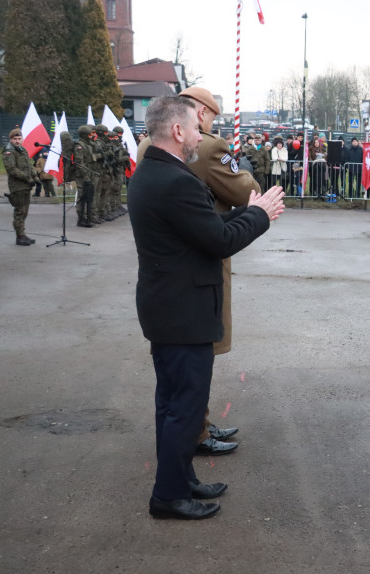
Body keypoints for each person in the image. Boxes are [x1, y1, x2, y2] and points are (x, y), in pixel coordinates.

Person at [129, 95, 285, 521]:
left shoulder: (153, 171)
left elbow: (205, 229)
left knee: (172, 405)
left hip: (168, 307)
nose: (201, 136)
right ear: (177, 131)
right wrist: (259, 215)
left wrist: (249, 212)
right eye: (195, 129)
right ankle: (168, 496)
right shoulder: (175, 181)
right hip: (184, 313)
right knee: (184, 408)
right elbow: (219, 241)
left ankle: (180, 480)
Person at [137, 85, 260, 455]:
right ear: (201, 112)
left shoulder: (148, 147)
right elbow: (246, 192)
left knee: (176, 372)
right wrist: (247, 174)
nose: (206, 126)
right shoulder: (209, 148)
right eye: (209, 117)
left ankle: (197, 424)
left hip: (164, 268)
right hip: (201, 260)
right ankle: (195, 431)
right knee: (196, 358)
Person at [2, 128, 38, 246]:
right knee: (20, 211)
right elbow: (12, 169)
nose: (17, 141)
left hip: (26, 185)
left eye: (19, 138)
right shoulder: (9, 152)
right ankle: (19, 236)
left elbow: (29, 165)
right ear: (11, 139)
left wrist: (35, 177)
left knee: (25, 211)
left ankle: (22, 233)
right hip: (17, 185)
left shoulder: (23, 150)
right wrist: (27, 178)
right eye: (15, 139)